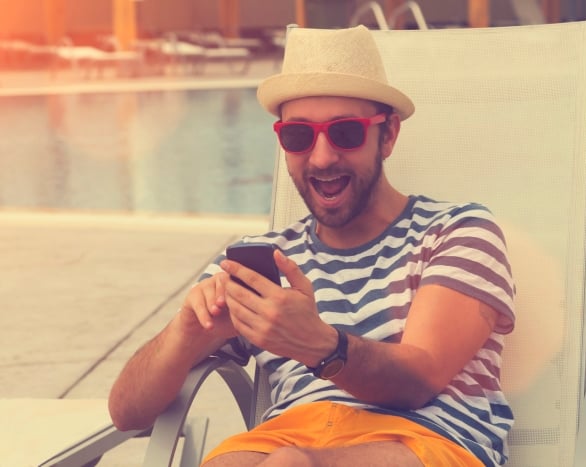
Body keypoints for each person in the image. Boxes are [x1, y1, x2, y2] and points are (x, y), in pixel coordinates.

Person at [109, 25, 515, 467]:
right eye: (299, 136)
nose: (321, 158)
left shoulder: (457, 231)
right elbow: (127, 413)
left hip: (425, 438)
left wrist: (319, 345)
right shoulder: (259, 259)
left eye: (345, 132)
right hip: (285, 436)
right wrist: (188, 330)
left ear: (389, 134)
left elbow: (419, 379)